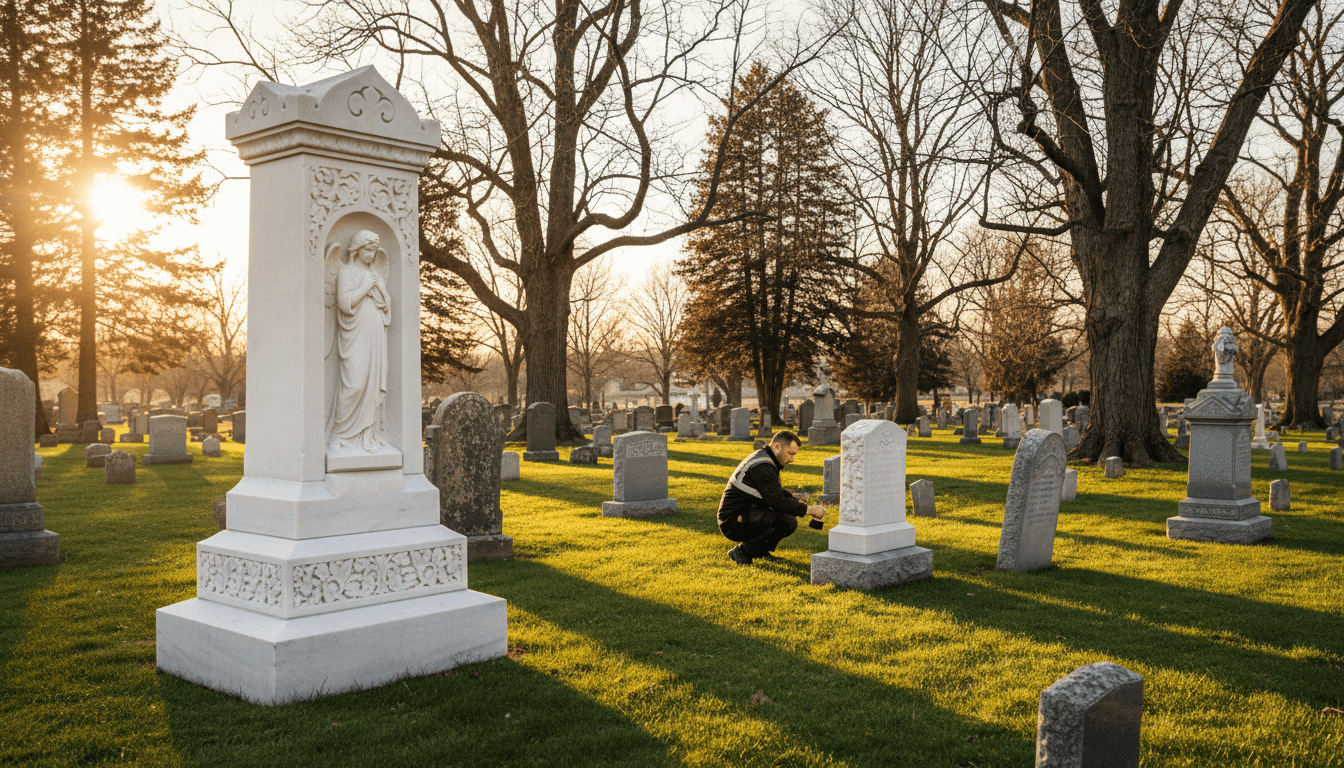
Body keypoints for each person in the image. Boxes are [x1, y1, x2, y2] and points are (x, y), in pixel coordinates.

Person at [718, 430, 826, 565]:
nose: (792, 459)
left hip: (745, 513)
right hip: (733, 522)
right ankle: (742, 552)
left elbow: (775, 493)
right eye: (790, 454)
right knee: (786, 521)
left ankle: (759, 551)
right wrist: (809, 510)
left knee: (787, 520)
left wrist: (797, 502)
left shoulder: (765, 460)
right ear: (776, 447)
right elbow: (777, 502)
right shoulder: (763, 465)